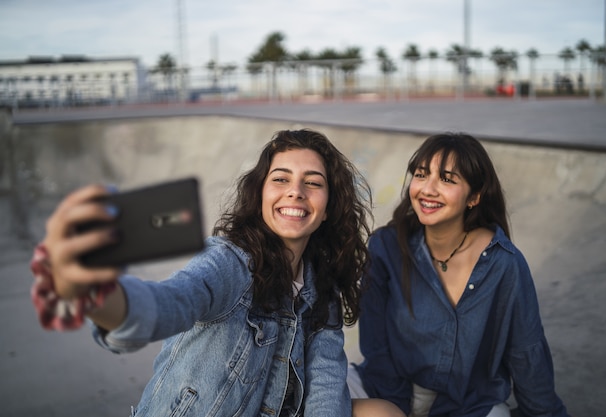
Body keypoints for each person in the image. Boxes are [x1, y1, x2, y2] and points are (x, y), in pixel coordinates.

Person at [30, 129, 373, 417]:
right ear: (260, 195)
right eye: (280, 179)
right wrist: (96, 293)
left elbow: (326, 392)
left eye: (312, 183)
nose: (295, 191)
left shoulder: (321, 289)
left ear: (328, 208)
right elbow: (170, 302)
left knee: (382, 411)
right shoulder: (230, 262)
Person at [349, 133, 570, 417]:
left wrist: (547, 413)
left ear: (474, 197)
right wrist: (395, 408)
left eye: (447, 179)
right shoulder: (386, 248)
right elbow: (375, 345)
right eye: (421, 174)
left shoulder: (503, 264)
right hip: (386, 391)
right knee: (319, 399)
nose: (428, 189)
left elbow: (526, 352)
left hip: (469, 404)